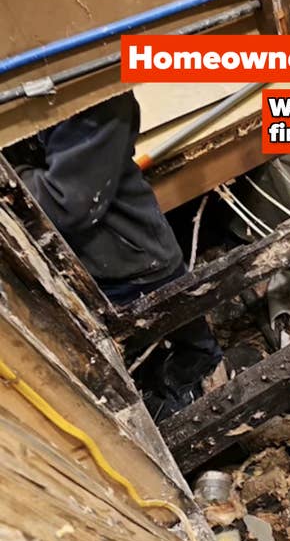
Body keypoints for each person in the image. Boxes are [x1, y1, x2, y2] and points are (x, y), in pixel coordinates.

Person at [16, 90, 223, 420]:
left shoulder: (95, 95)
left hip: (138, 260)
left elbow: (66, 205)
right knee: (128, 341)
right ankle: (160, 376)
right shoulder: (29, 91)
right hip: (88, 269)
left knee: (188, 333)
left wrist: (16, 172)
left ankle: (194, 375)